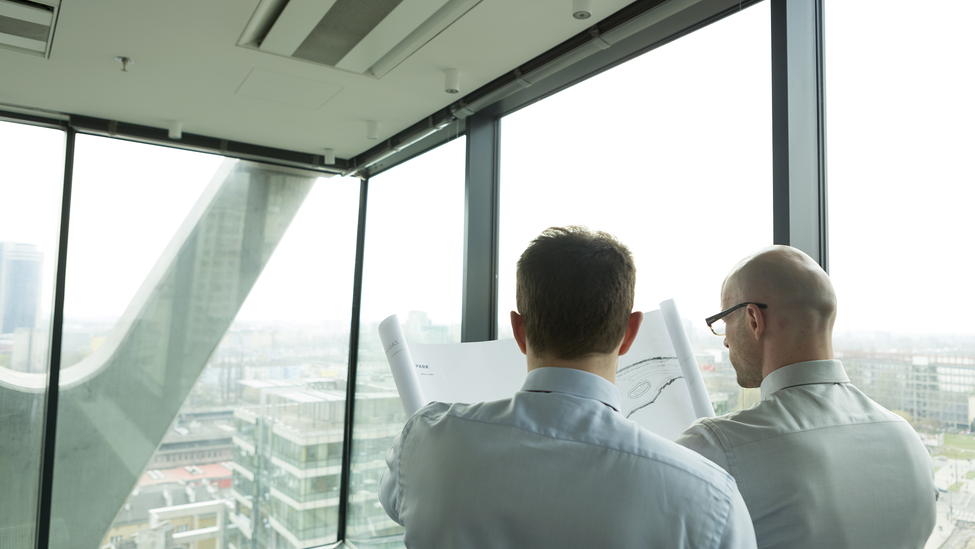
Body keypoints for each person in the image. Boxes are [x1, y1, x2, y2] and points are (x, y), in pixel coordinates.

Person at [379, 226, 756, 548]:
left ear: (519, 330)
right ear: (630, 333)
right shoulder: (708, 497)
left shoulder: (425, 440)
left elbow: (398, 504)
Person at [676, 245, 937, 549]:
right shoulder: (908, 441)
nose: (725, 342)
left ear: (753, 320)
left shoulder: (716, 448)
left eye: (723, 322)